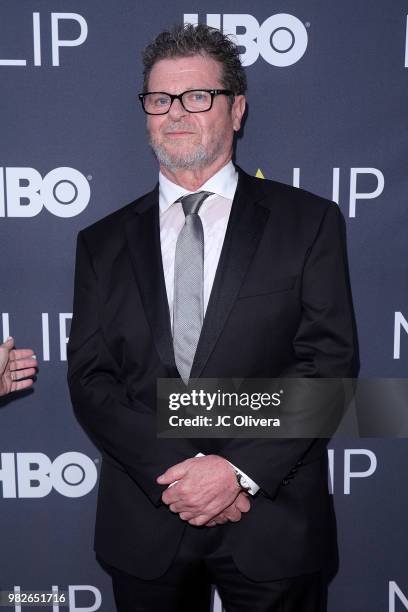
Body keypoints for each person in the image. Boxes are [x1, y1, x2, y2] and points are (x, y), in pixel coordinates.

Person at [67, 24, 359, 612]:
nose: (175, 113)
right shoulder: (100, 242)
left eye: (198, 96)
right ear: (146, 113)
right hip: (148, 519)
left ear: (237, 109)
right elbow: (92, 383)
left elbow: (329, 367)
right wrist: (179, 474)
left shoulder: (308, 222)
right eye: (159, 99)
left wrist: (236, 470)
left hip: (272, 521)